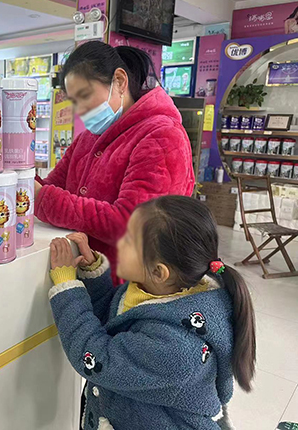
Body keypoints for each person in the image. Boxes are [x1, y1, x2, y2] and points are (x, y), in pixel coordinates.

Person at [48, 196, 256, 430]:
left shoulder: (175, 347)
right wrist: (93, 272)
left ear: (159, 272)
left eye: (129, 241)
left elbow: (97, 356)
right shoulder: (154, 290)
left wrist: (67, 288)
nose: (119, 243)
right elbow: (114, 321)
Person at [35, 41, 194, 284]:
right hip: (89, 276)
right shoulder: (89, 138)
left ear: (119, 81)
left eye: (85, 96)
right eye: (74, 101)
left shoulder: (162, 136)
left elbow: (134, 224)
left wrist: (44, 198)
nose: (80, 110)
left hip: (133, 286)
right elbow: (52, 185)